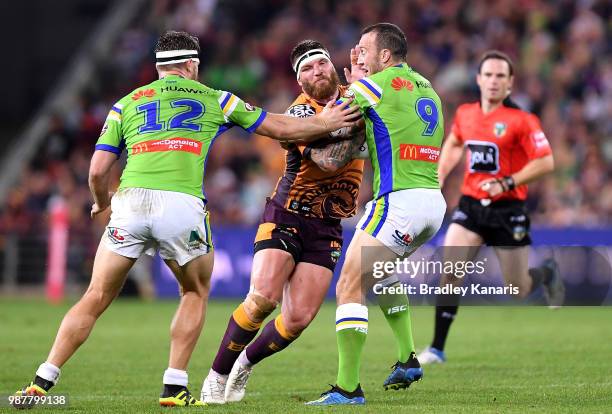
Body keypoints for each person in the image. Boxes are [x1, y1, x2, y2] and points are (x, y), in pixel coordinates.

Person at [13, 30, 359, 409]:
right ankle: (174, 386)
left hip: (129, 201)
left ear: (160, 67)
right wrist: (329, 123)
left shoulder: (126, 103)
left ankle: (44, 378)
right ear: (192, 64)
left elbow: (97, 171)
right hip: (181, 205)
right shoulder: (215, 98)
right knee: (193, 291)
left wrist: (100, 203)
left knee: (95, 296)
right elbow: (280, 127)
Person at [200, 39, 366, 404]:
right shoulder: (301, 114)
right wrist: (358, 126)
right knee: (262, 299)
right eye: (306, 69)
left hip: (329, 224)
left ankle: (245, 361)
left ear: (333, 67)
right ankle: (217, 374)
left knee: (298, 319)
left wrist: (365, 88)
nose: (316, 72)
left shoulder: (360, 97)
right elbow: (327, 162)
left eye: (320, 64)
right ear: (299, 82)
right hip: (288, 213)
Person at [307, 23, 447, 406]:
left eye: (363, 49)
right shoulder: (427, 87)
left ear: (384, 55)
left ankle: (347, 388)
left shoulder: (376, 84)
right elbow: (385, 137)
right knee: (381, 275)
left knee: (349, 284)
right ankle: (407, 358)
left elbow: (333, 115)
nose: (357, 55)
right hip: (431, 203)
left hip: (399, 201)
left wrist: (350, 85)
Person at [418, 50, 562, 365]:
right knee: (451, 270)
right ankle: (437, 348)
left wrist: (507, 182)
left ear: (510, 83)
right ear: (479, 79)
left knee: (518, 288)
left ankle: (547, 274)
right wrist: (439, 176)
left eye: (501, 76)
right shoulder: (467, 113)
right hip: (472, 205)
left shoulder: (522, 120)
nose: (494, 81)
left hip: (509, 210)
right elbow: (455, 142)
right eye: (489, 75)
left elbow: (546, 161)